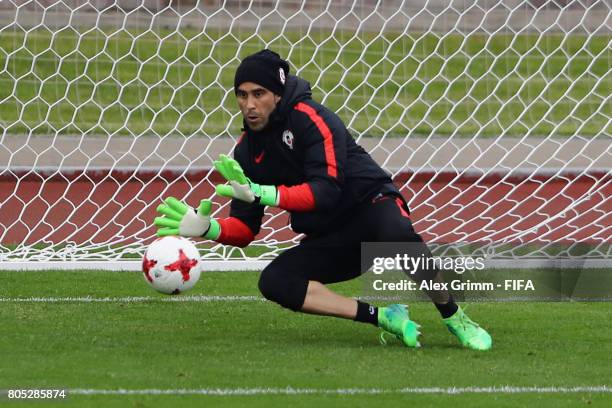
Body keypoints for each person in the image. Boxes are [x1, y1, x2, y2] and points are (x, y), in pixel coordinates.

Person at [154, 49, 492, 350]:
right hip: (333, 238)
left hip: (371, 207)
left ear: (278, 93)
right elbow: (245, 229)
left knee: (396, 235)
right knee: (274, 282)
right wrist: (208, 227)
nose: (249, 104)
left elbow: (326, 190)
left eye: (259, 93)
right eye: (242, 95)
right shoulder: (245, 153)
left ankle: (454, 315)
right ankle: (383, 317)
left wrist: (264, 193)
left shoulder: (312, 119)